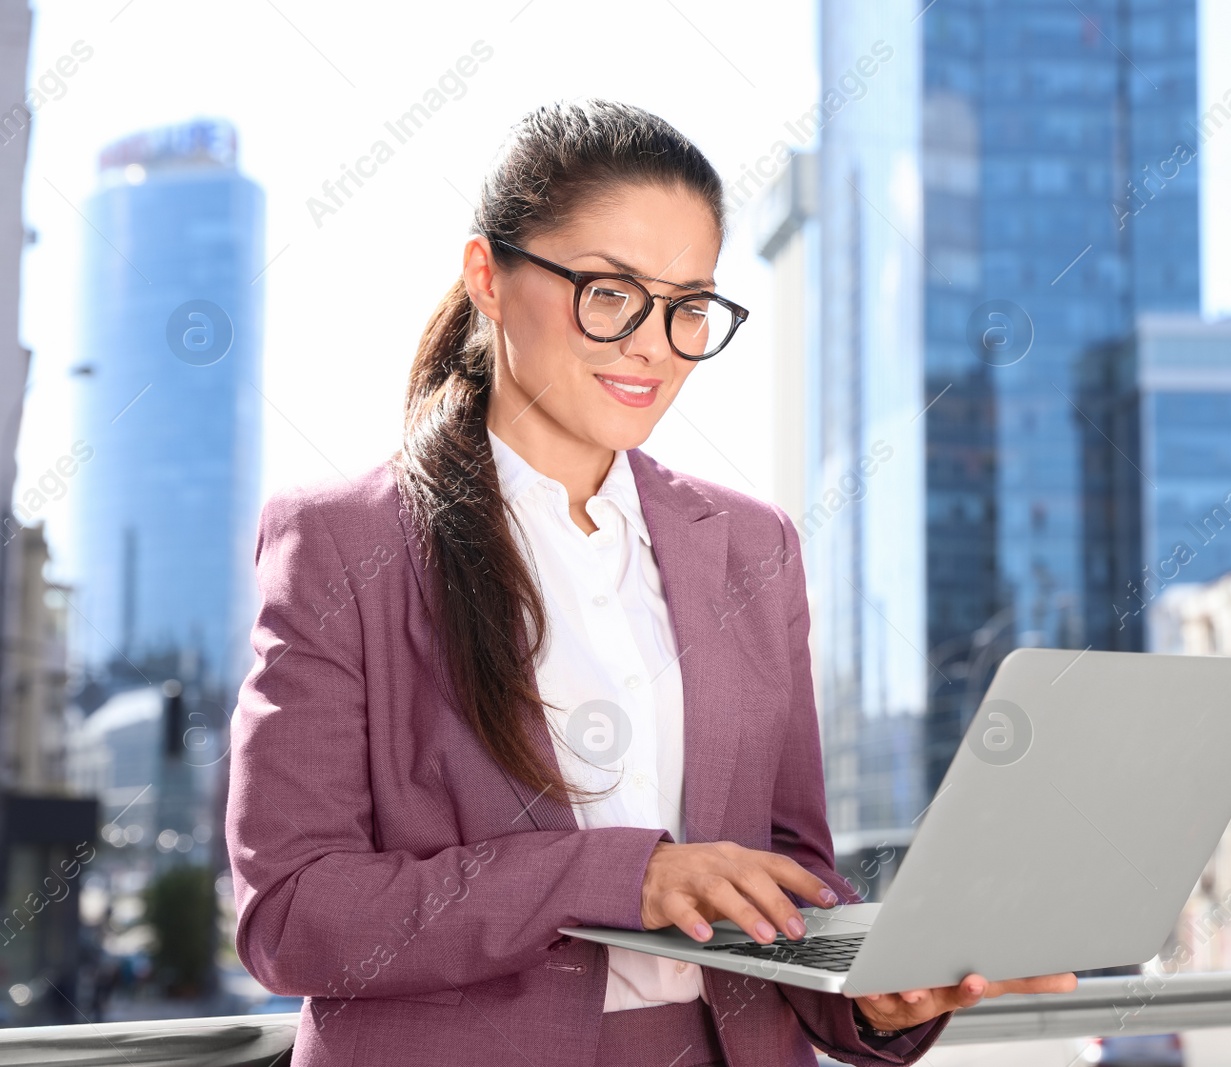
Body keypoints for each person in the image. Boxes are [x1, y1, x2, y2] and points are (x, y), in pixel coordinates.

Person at [225, 98, 1076, 1067]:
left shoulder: (754, 547)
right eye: (609, 291)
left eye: (688, 304)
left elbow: (788, 878)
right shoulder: (346, 543)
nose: (653, 343)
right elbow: (293, 913)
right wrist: (623, 877)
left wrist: (879, 993)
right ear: (488, 279)